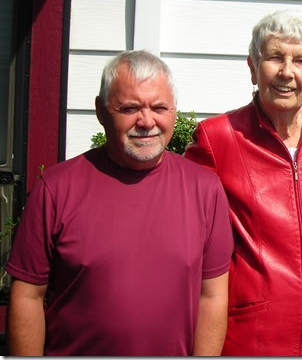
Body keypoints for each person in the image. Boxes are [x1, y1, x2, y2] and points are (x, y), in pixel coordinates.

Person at [6, 50, 233, 356]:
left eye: (159, 108)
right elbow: (27, 296)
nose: (147, 121)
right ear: (101, 111)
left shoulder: (205, 189)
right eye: (129, 108)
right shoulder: (56, 188)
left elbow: (212, 296)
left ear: (174, 111)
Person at [184, 9, 302, 356]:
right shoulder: (217, 139)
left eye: (300, 61)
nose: (287, 72)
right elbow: (191, 246)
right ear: (253, 67)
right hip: (248, 338)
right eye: (275, 57)